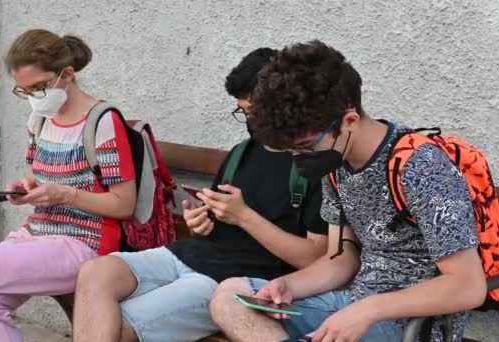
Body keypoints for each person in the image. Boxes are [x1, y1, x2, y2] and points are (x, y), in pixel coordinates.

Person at [209, 40, 487, 342]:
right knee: (230, 295)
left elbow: (468, 286)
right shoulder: (335, 163)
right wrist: (289, 286)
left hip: (411, 326)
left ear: (349, 121)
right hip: (353, 306)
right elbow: (342, 259)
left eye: (303, 147)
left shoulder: (420, 166)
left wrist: (368, 310)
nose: (297, 158)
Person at [72, 48, 329, 342]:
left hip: (233, 281)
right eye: (243, 112)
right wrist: (201, 223)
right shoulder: (242, 153)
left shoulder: (314, 164)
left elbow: (315, 258)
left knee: (113, 327)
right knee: (96, 272)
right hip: (189, 256)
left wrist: (245, 217)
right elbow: (219, 220)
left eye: (254, 111)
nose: (251, 121)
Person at [0, 29, 137, 341]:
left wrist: (65, 194)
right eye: (24, 91)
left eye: (38, 87)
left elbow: (124, 204)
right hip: (39, 234)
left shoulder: (102, 121)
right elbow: (42, 174)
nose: (33, 97)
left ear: (66, 75)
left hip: (87, 243)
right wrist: (26, 186)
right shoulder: (40, 119)